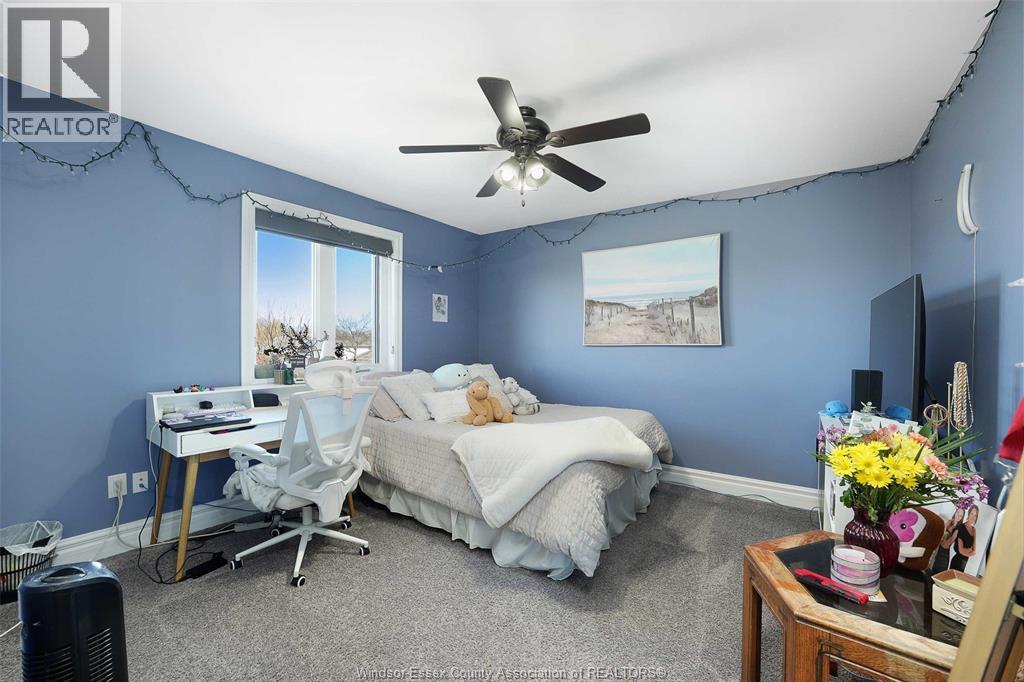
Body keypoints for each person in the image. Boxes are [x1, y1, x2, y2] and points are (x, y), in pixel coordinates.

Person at [930, 507, 964, 574]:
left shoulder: (958, 529)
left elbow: (946, 544)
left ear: (962, 518)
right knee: (931, 569)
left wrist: (946, 535)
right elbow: (941, 535)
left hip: (945, 553)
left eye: (961, 515)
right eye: (958, 513)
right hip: (938, 549)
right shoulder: (949, 522)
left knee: (938, 571)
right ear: (955, 512)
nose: (958, 516)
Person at [949, 504, 979, 572]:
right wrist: (970, 550)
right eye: (972, 514)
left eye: (975, 515)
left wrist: (969, 551)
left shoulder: (974, 530)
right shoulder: (961, 527)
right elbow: (961, 550)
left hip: (964, 563)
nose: (973, 517)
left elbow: (974, 552)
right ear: (968, 514)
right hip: (957, 561)